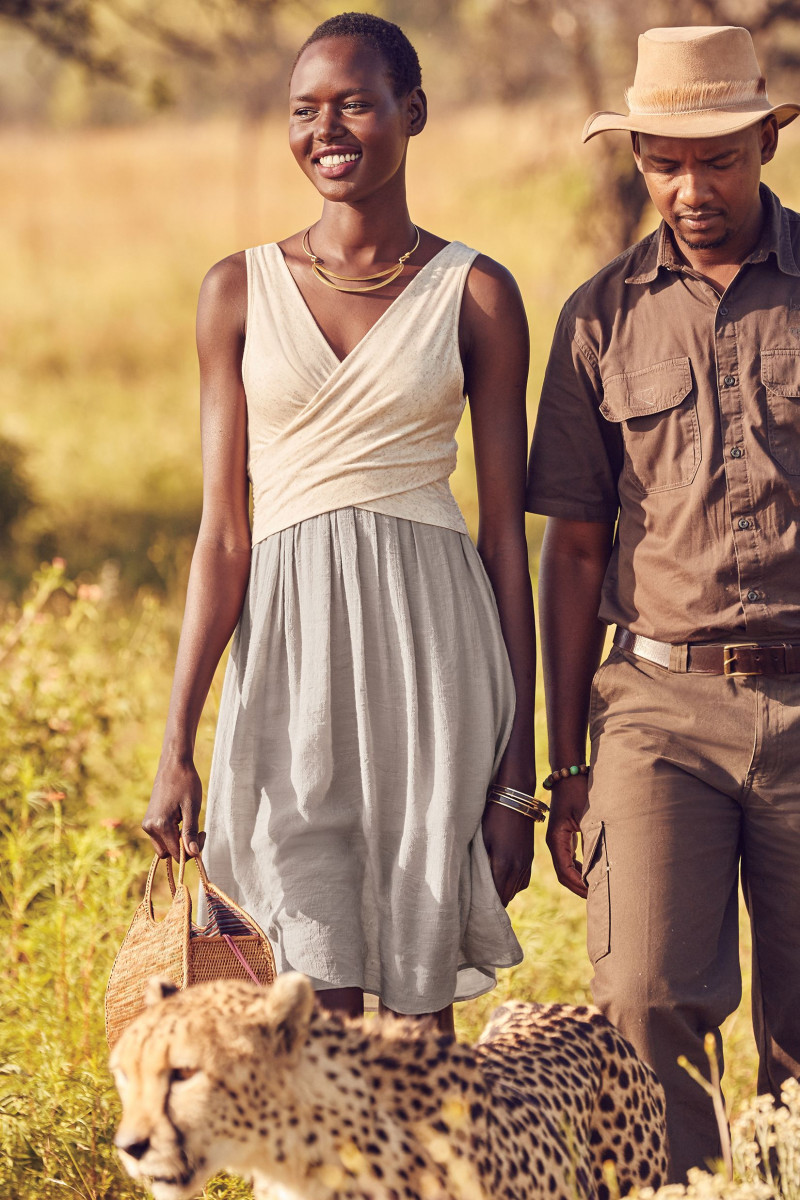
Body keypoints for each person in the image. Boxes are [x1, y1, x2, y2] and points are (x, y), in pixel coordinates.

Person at [142, 12, 537, 1034]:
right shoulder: (234, 290)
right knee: (304, 1004)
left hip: (431, 671)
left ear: (412, 113)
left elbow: (504, 542)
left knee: (414, 1027)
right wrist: (178, 739)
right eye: (304, 109)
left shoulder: (476, 293)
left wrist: (516, 777)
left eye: (354, 103)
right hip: (287, 676)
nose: (327, 128)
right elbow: (223, 533)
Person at [526, 23, 800, 1181]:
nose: (690, 188)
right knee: (640, 1001)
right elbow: (575, 554)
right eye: (661, 161)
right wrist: (561, 769)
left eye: (716, 159)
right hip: (652, 709)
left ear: (761, 143)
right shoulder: (597, 317)